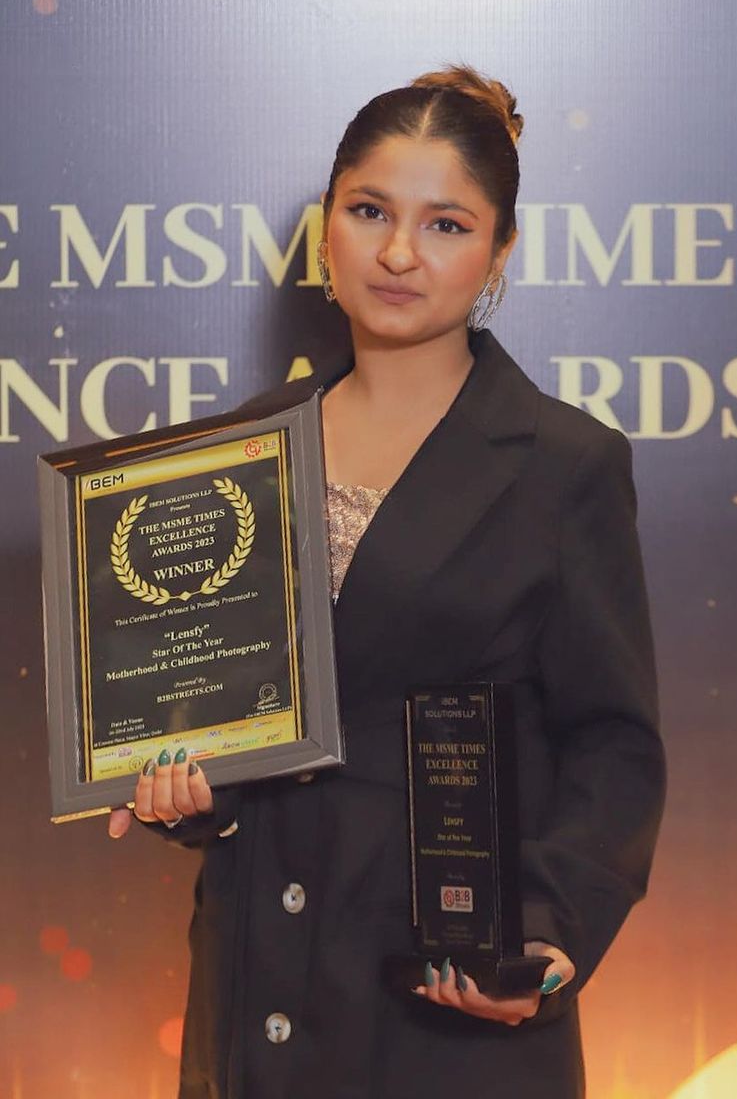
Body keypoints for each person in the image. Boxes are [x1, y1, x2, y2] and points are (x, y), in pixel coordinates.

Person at [109, 65, 666, 1099]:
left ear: (500, 250)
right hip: (258, 984)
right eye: (369, 211)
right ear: (327, 227)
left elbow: (614, 744)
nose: (400, 252)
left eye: (446, 224)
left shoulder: (564, 464)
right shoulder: (236, 454)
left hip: (445, 996)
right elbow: (220, 716)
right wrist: (187, 793)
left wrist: (549, 933)